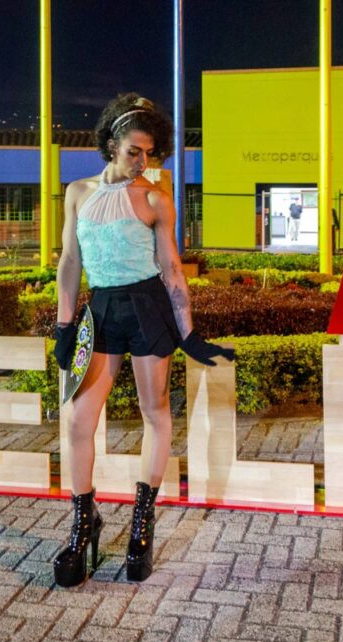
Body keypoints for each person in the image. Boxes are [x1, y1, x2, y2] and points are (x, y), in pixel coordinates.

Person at [52, 93, 234, 587]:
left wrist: (189, 332)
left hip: (148, 308)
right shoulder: (77, 193)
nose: (143, 161)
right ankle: (84, 520)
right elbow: (70, 262)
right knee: (77, 420)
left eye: (150, 152)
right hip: (103, 310)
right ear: (111, 145)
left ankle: (141, 524)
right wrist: (65, 324)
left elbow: (172, 267)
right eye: (135, 151)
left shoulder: (155, 198)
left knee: (155, 413)